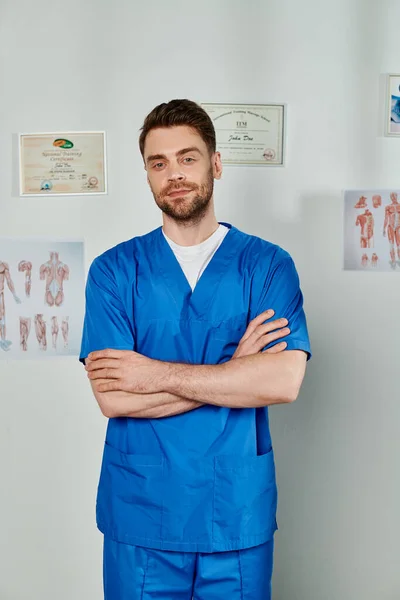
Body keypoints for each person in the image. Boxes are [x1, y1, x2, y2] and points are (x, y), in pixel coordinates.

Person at [80, 99, 311, 600]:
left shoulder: (268, 266)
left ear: (216, 164)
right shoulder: (114, 272)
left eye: (188, 158)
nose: (174, 174)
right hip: (141, 512)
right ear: (146, 175)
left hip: (234, 512)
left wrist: (153, 374)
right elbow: (114, 399)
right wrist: (233, 372)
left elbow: (282, 382)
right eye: (158, 163)